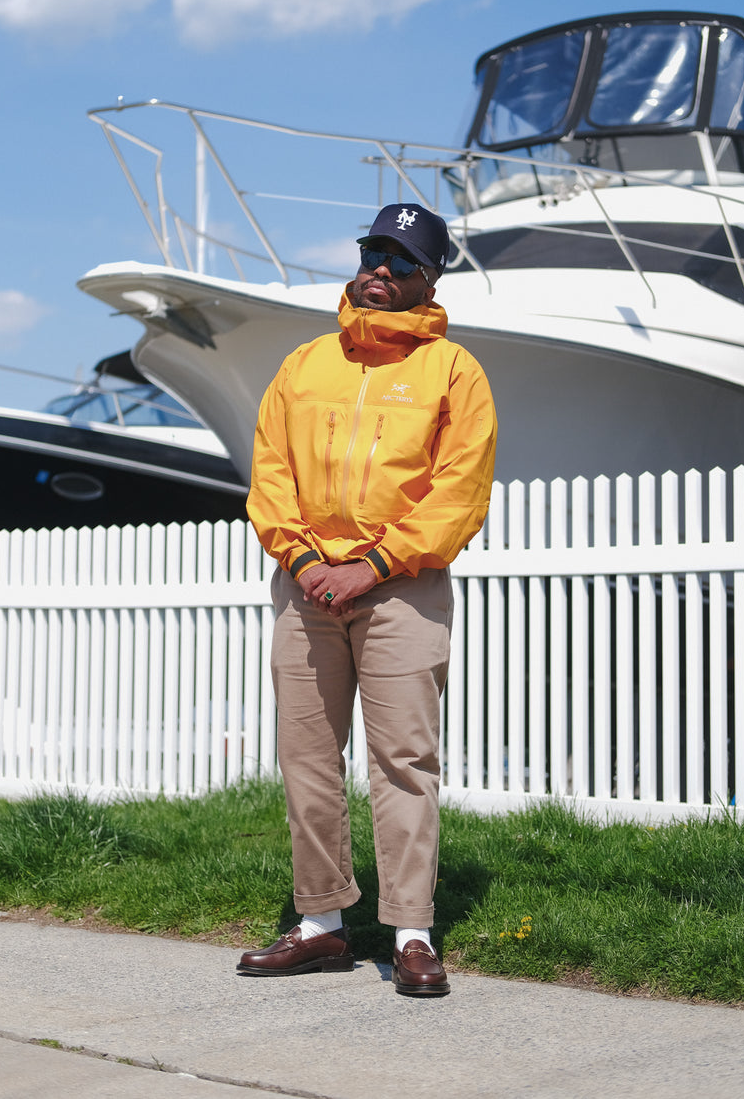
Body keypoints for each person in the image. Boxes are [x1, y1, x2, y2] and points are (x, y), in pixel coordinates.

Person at [237, 203, 496, 997]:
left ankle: (412, 933)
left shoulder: (456, 372)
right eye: (373, 250)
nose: (381, 267)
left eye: (402, 258)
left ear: (431, 278)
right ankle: (320, 925)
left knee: (403, 762)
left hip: (401, 591)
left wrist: (373, 564)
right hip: (307, 583)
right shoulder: (304, 363)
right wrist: (306, 557)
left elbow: (460, 494)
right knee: (308, 759)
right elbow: (270, 473)